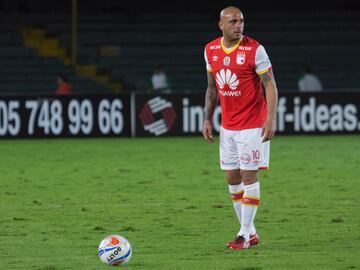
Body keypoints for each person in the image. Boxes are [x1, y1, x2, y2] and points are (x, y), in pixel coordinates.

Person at [202, 6, 278, 250]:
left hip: (253, 125)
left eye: (241, 21)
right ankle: (251, 233)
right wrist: (206, 118)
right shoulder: (210, 50)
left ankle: (244, 235)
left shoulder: (255, 50)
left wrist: (270, 118)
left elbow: (270, 84)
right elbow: (212, 88)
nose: (239, 25)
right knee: (232, 177)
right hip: (229, 127)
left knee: (249, 175)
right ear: (221, 25)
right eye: (233, 21)